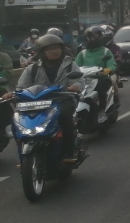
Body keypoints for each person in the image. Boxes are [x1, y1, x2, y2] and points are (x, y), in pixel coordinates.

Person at [5, 34, 84, 162]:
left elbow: (79, 81)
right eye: (50, 49)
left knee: (65, 115)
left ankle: (69, 150)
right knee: (18, 119)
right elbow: (21, 87)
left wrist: (75, 86)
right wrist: (12, 94)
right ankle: (22, 151)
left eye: (57, 48)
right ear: (42, 52)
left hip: (62, 99)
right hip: (36, 102)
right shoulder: (33, 68)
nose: (54, 51)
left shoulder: (69, 65)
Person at [74, 26, 118, 116]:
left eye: (98, 36)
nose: (96, 38)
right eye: (93, 36)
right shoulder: (83, 53)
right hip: (84, 80)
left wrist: (107, 70)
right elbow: (75, 66)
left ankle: (102, 110)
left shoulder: (106, 51)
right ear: (87, 38)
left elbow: (112, 64)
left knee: (101, 90)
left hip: (101, 79)